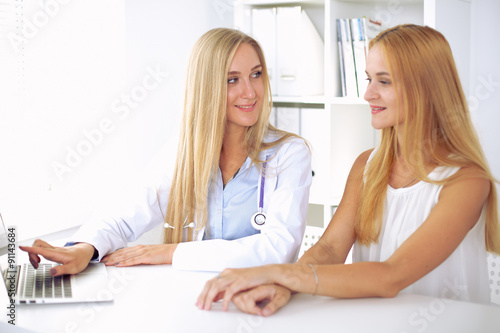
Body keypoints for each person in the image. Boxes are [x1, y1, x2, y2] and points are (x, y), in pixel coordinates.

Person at [196, 24, 500, 316]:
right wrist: (282, 288)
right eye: (368, 79)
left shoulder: (467, 181)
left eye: (384, 81)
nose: (368, 94)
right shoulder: (368, 166)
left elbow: (390, 277)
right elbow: (329, 250)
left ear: (426, 88)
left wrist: (277, 273)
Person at [20, 28, 312, 275]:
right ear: (207, 87)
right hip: (191, 298)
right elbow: (125, 214)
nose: (250, 92)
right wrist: (84, 248)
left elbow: (278, 250)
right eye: (232, 79)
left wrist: (171, 253)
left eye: (256, 74)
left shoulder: (289, 154)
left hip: (258, 305)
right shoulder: (185, 152)